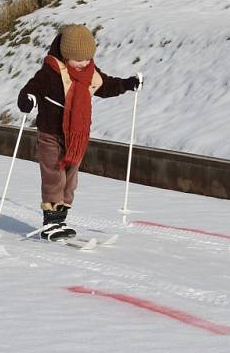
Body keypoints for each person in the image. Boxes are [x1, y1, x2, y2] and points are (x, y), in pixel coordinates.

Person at [17, 23, 141, 241]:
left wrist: (128, 84)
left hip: (76, 137)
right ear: (66, 55)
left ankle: (61, 220)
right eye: (79, 59)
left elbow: (107, 86)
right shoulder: (52, 71)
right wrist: (28, 99)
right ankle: (51, 223)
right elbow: (32, 88)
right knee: (54, 177)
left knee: (70, 181)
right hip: (50, 134)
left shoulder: (89, 73)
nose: (84, 63)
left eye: (88, 59)